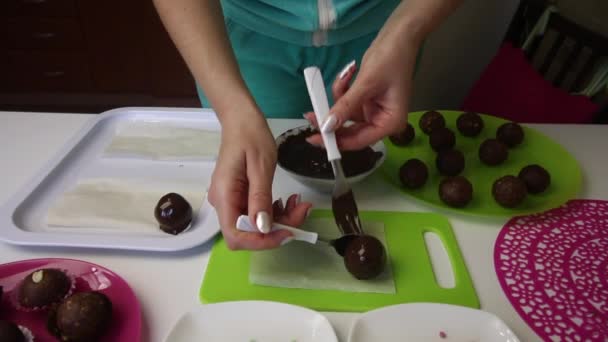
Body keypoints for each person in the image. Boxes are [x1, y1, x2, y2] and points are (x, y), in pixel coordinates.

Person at [154, 0, 462, 250]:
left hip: (387, 30)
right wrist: (233, 111)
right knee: (253, 179)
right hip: (235, 41)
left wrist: (407, 30)